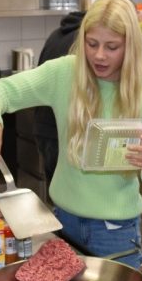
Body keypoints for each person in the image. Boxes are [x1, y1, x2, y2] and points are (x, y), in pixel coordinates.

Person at [0, 0, 142, 268]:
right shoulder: (64, 74)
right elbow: (1, 90)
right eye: (92, 44)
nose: (99, 55)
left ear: (130, 47)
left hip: (116, 234)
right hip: (63, 223)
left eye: (112, 47)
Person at [34, 10, 85, 181]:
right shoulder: (81, 40)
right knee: (67, 188)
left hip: (44, 126)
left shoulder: (56, 34)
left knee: (54, 186)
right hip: (64, 131)